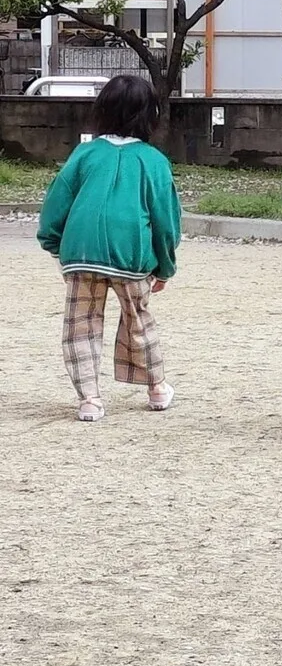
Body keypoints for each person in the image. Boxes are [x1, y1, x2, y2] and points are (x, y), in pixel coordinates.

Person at [37, 75, 181, 422]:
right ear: (150, 114)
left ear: (101, 110)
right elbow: (166, 221)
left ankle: (90, 399)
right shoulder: (153, 161)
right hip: (129, 254)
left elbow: (57, 203)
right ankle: (156, 388)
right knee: (138, 320)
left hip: (81, 253)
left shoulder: (84, 154)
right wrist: (164, 267)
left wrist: (55, 245)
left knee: (80, 324)